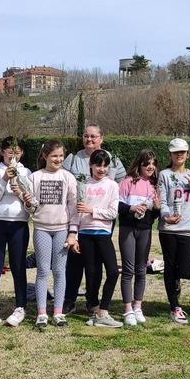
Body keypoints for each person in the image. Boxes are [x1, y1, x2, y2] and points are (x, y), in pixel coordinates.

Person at [62, 125, 127, 312]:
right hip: (79, 221)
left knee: (95, 265)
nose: (89, 139)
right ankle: (69, 299)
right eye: (86, 136)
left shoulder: (112, 159)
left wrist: (106, 197)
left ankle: (93, 301)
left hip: (102, 222)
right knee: (75, 263)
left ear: (101, 138)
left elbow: (121, 181)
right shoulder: (73, 159)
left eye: (94, 136)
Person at [0, 136, 34, 328]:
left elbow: (30, 204)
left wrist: (21, 193)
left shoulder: (26, 171)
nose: (13, 155)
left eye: (17, 151)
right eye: (9, 151)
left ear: (21, 153)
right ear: (2, 152)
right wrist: (4, 179)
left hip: (18, 223)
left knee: (18, 266)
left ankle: (20, 306)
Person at [29, 139, 79, 328]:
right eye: (54, 156)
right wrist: (28, 203)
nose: (58, 159)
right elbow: (31, 206)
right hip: (41, 228)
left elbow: (73, 208)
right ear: (45, 156)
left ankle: (58, 312)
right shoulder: (35, 177)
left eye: (60, 156)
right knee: (42, 271)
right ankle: (42, 313)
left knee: (59, 271)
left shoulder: (68, 177)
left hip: (62, 229)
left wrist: (73, 232)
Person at [76, 149, 123, 328]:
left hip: (103, 234)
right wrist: (73, 233)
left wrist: (92, 211)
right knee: (92, 274)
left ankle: (104, 310)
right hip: (85, 234)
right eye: (98, 165)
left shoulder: (112, 185)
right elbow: (77, 211)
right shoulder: (83, 185)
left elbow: (112, 213)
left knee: (112, 271)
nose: (101, 169)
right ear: (91, 165)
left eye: (105, 166)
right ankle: (95, 310)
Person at [157, 139, 190, 324]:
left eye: (182, 152)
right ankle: (174, 306)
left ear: (188, 154)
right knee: (170, 266)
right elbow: (162, 200)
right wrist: (166, 216)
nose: (179, 155)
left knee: (183, 269)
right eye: (175, 152)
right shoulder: (164, 174)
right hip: (168, 228)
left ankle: (176, 287)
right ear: (170, 155)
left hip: (187, 227)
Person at [118, 149, 161, 327]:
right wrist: (132, 208)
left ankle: (138, 306)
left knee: (141, 269)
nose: (150, 167)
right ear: (139, 164)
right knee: (128, 270)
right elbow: (118, 205)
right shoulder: (128, 181)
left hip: (145, 230)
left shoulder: (154, 185)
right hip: (128, 229)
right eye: (146, 163)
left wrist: (157, 208)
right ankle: (128, 309)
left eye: (153, 164)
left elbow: (155, 214)